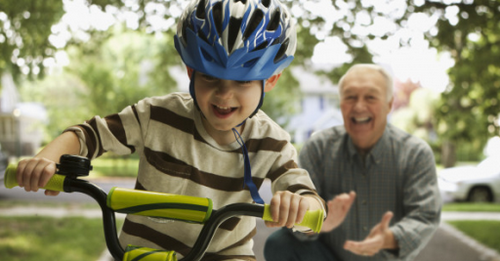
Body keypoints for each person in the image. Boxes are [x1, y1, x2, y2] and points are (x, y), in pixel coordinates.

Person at [14, 0, 328, 260]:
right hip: (140, 252)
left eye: (243, 81)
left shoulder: (271, 142)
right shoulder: (156, 115)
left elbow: (308, 200)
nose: (223, 94)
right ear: (190, 71)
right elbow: (89, 135)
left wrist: (301, 207)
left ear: (270, 79)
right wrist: (45, 160)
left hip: (224, 256)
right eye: (209, 77)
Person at [264, 64, 441, 261]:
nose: (358, 106)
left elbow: (424, 216)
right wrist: (317, 222)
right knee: (280, 243)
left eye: (371, 97)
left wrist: (389, 238)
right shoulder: (318, 148)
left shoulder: (415, 154)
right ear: (341, 104)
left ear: (389, 104)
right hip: (329, 257)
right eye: (350, 97)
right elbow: (296, 219)